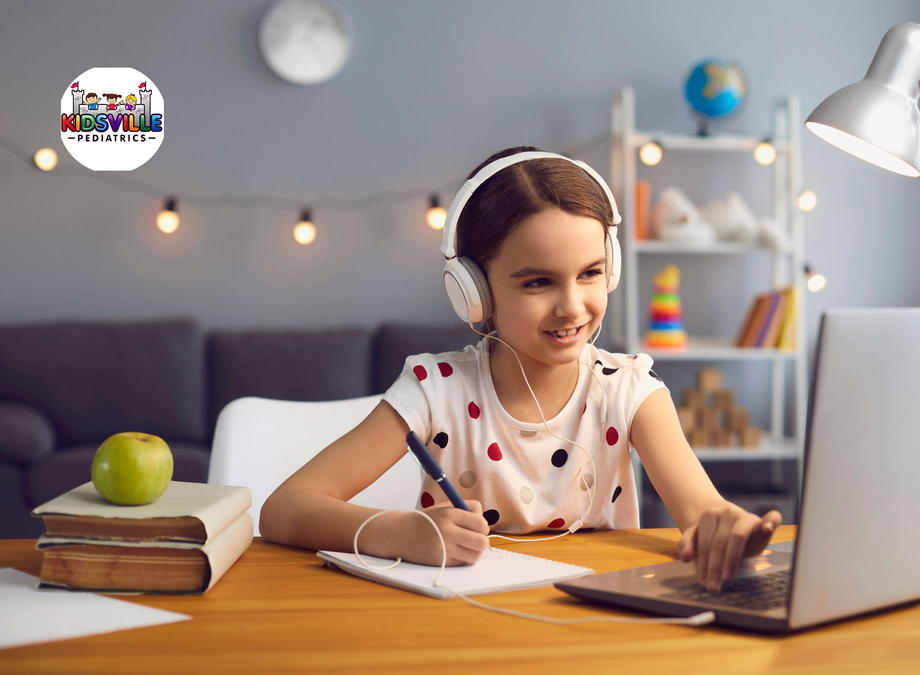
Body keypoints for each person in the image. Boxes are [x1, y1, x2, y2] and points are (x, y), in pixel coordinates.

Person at [260, 146, 782, 592]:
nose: (572, 307)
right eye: (538, 282)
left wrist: (726, 528)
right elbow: (283, 509)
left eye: (590, 273)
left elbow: (703, 512)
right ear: (474, 290)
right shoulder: (434, 391)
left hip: (593, 620)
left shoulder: (629, 390)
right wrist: (396, 532)